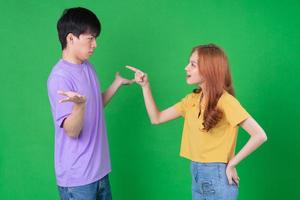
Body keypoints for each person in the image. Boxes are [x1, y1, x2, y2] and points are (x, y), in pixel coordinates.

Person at [126, 44, 267, 200]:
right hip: (196, 174)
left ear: (209, 69)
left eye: (193, 64)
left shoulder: (226, 101)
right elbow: (156, 118)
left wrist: (232, 164)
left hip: (217, 177)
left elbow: (259, 135)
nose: (186, 68)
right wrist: (145, 86)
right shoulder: (191, 100)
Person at [47, 7, 133, 200]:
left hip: (99, 172)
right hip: (78, 179)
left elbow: (95, 107)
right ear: (70, 38)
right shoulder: (59, 77)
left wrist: (116, 84)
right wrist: (79, 106)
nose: (95, 44)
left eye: (95, 38)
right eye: (90, 38)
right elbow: (71, 130)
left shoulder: (87, 66)